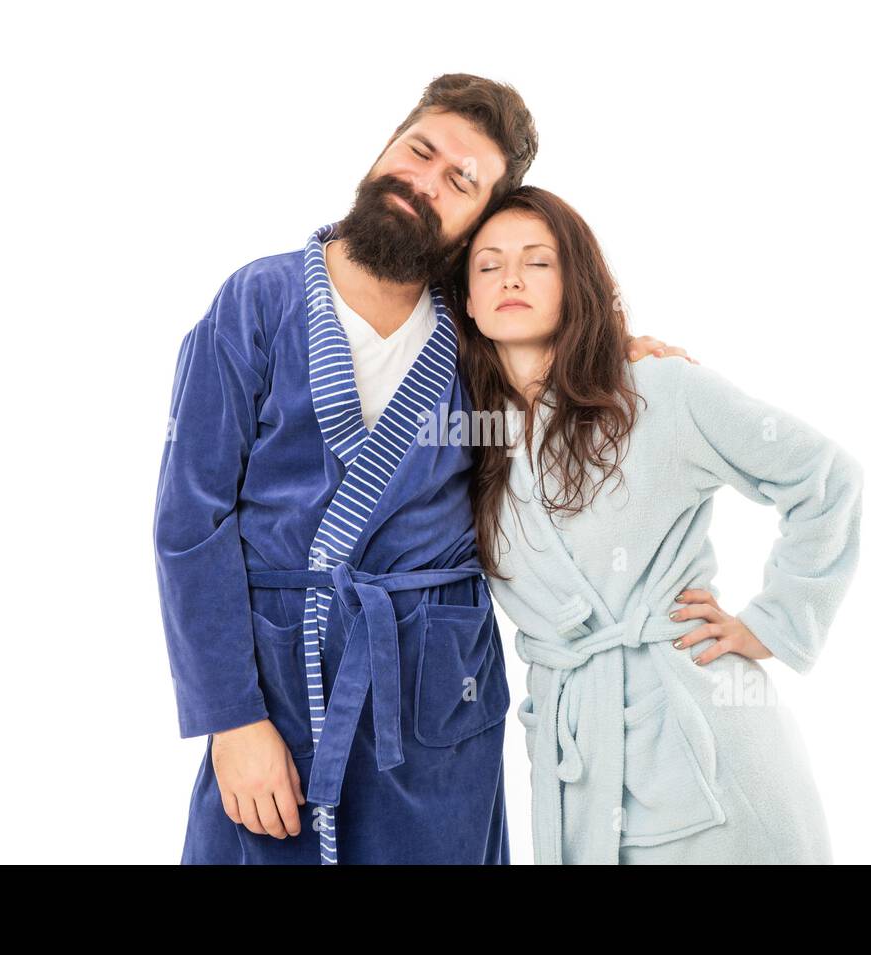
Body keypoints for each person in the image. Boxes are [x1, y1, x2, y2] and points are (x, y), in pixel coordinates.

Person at [153, 74, 687, 865]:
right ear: (385, 148)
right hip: (280, 688)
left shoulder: (473, 335)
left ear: (477, 222)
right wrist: (232, 719)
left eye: (459, 182)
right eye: (419, 150)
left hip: (439, 701)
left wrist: (627, 357)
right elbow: (190, 524)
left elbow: (559, 396)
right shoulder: (256, 303)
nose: (423, 182)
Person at [451, 185, 865, 864]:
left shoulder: (658, 392)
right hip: (578, 765)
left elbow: (827, 478)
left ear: (575, 280)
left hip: (706, 748)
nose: (513, 278)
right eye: (489, 266)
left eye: (538, 261)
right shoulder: (474, 441)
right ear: (466, 299)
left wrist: (777, 621)